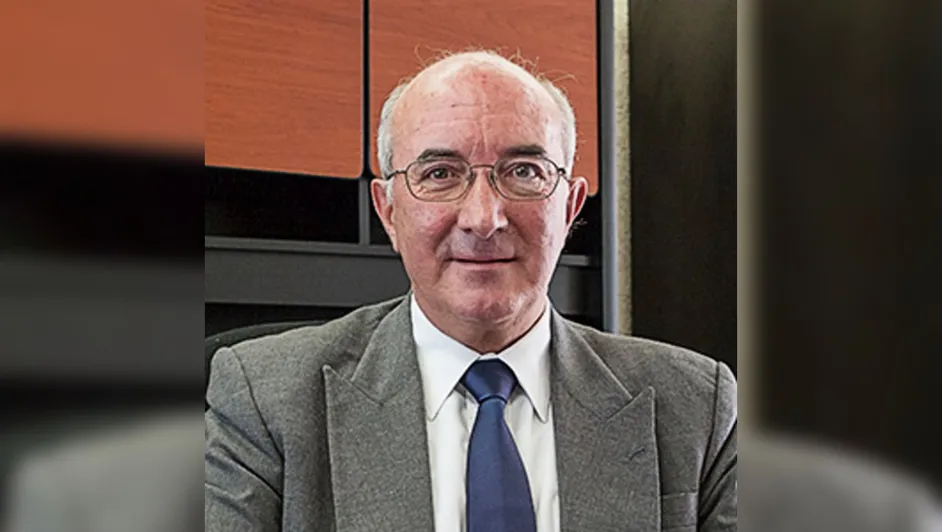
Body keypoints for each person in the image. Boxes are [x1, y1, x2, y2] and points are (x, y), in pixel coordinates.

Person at [204, 50, 736, 531]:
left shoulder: (695, 407)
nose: (484, 218)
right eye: (440, 173)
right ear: (388, 212)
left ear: (570, 207)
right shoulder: (264, 403)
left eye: (524, 171)